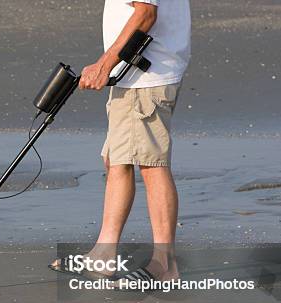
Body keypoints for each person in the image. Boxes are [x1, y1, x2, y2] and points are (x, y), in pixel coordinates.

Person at [50, 0, 191, 283]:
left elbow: (145, 13)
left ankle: (165, 265)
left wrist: (104, 64)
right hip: (134, 74)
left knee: (151, 164)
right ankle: (104, 253)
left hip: (145, 77)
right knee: (117, 159)